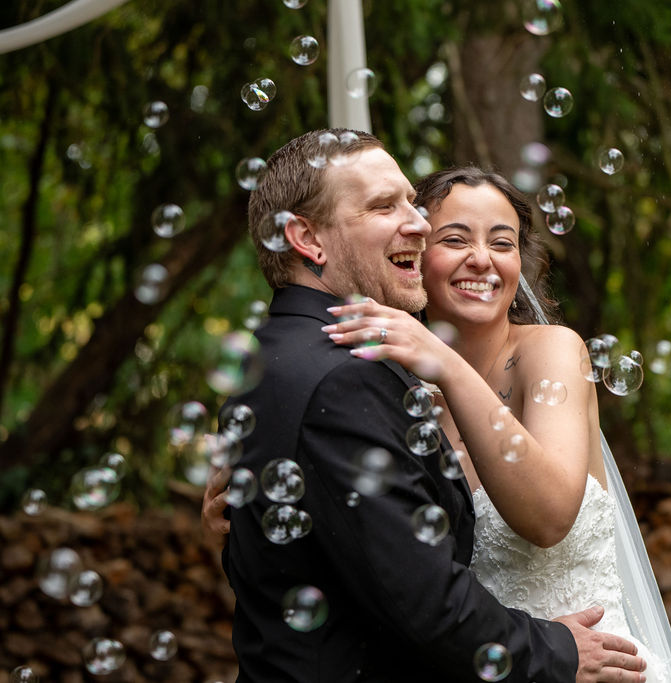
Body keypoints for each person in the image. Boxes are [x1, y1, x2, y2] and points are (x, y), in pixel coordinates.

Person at [213, 128, 648, 682]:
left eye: (503, 242)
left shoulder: (272, 360)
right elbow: (415, 593)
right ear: (307, 239)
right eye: (386, 207)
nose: (416, 225)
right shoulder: (352, 378)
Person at [315, 166, 671, 683]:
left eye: (502, 243)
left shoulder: (552, 352)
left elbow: (549, 517)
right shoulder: (393, 392)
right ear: (414, 255)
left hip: (596, 669)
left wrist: (446, 365)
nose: (482, 259)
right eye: (455, 239)